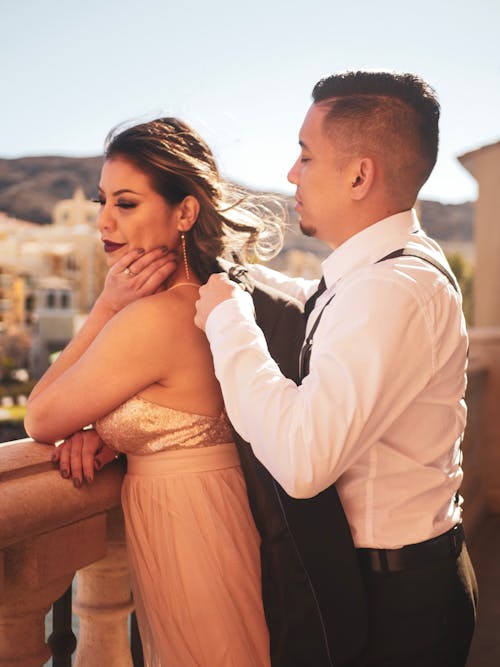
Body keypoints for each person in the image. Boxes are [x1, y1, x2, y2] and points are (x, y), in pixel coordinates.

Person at [194, 71, 478, 666]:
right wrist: (236, 278)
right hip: (401, 579)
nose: (292, 173)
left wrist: (226, 321)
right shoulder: (387, 270)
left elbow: (301, 460)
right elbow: (325, 304)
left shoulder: (392, 290)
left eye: (305, 155)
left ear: (359, 174)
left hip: (397, 605)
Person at [24, 116, 286, 667]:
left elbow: (40, 418)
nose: (103, 222)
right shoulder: (208, 299)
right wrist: (114, 435)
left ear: (185, 212)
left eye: (125, 203)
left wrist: (105, 306)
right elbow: (179, 413)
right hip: (206, 519)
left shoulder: (153, 318)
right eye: (101, 202)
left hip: (192, 535)